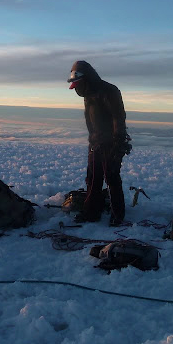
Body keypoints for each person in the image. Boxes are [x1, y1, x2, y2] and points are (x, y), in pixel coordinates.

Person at [67, 60, 131, 226]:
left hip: (111, 143)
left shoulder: (109, 91)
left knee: (112, 179)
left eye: (77, 84)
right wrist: (92, 138)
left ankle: (118, 215)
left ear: (86, 78)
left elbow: (118, 117)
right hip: (96, 142)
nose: (76, 88)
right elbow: (90, 119)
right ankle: (91, 213)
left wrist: (118, 141)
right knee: (93, 179)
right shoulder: (88, 93)